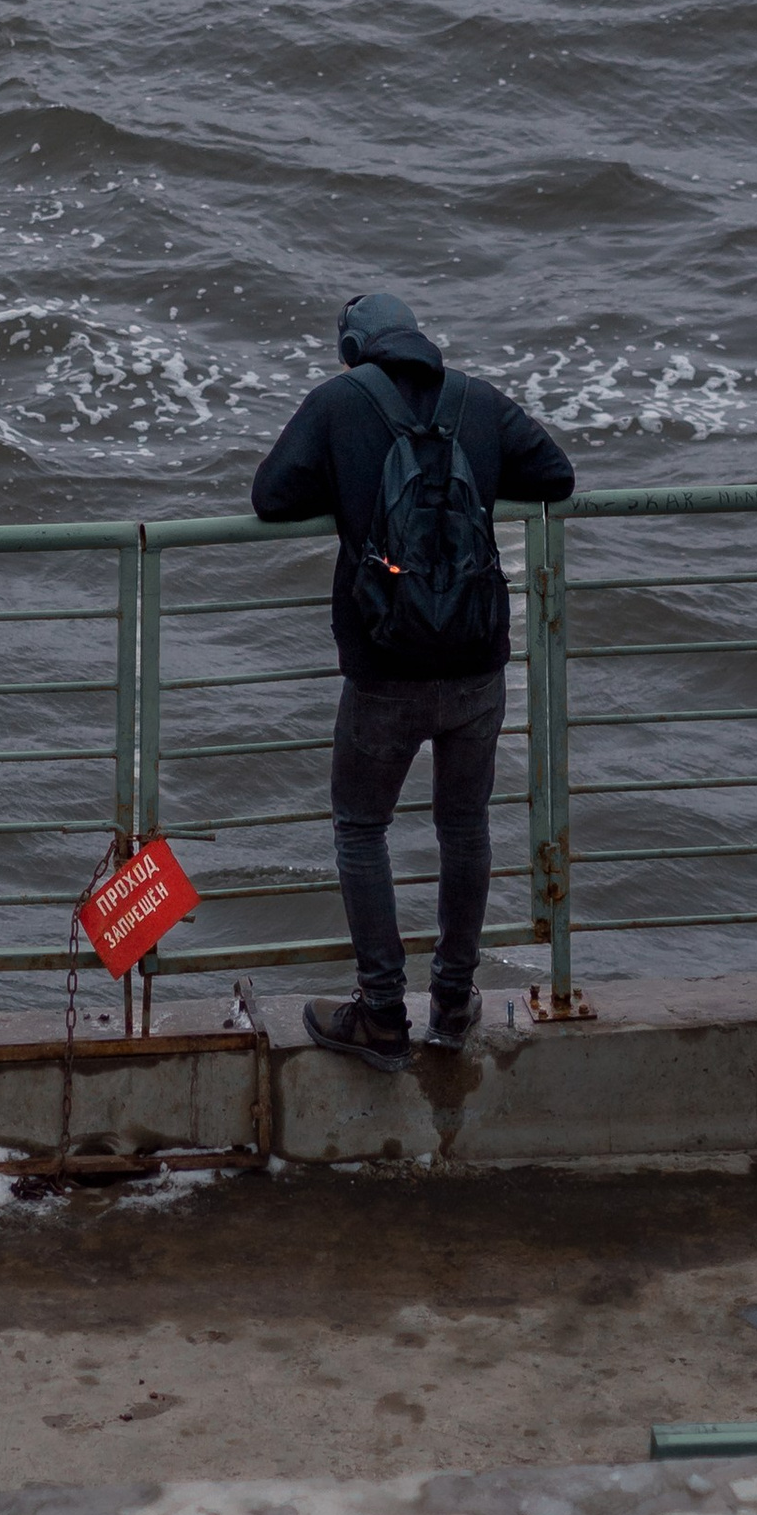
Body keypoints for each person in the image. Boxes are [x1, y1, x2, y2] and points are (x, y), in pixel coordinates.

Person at [251, 293, 574, 1069]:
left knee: (363, 830)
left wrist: (351, 486)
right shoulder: (477, 401)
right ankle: (454, 1005)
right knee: (463, 827)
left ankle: (383, 1012)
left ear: (354, 349)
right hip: (475, 663)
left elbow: (270, 498)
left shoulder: (337, 403)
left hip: (384, 667)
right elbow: (556, 477)